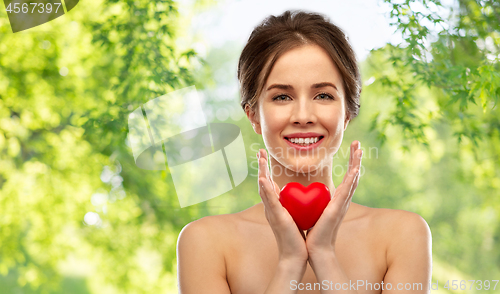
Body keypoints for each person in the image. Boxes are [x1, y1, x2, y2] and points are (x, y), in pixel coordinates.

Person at [177, 9, 432, 294]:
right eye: (282, 96)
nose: (303, 115)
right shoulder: (205, 243)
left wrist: (324, 255)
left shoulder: (402, 235)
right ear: (253, 116)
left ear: (347, 113)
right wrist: (289, 262)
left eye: (323, 95)